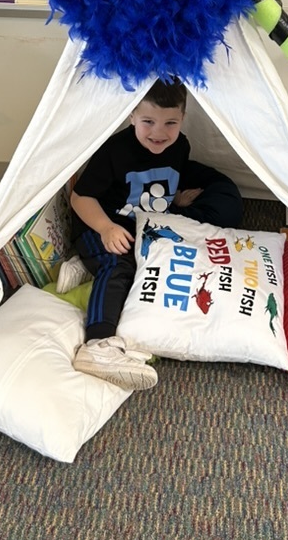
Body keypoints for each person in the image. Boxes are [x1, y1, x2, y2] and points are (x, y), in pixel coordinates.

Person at [65, 79, 242, 391]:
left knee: (177, 264)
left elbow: (162, 183)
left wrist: (175, 200)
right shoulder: (114, 152)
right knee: (118, 267)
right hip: (104, 223)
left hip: (146, 224)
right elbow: (80, 197)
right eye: (148, 121)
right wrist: (105, 228)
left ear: (182, 119)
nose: (158, 133)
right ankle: (97, 345)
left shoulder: (180, 146)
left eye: (170, 123)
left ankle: (86, 270)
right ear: (131, 115)